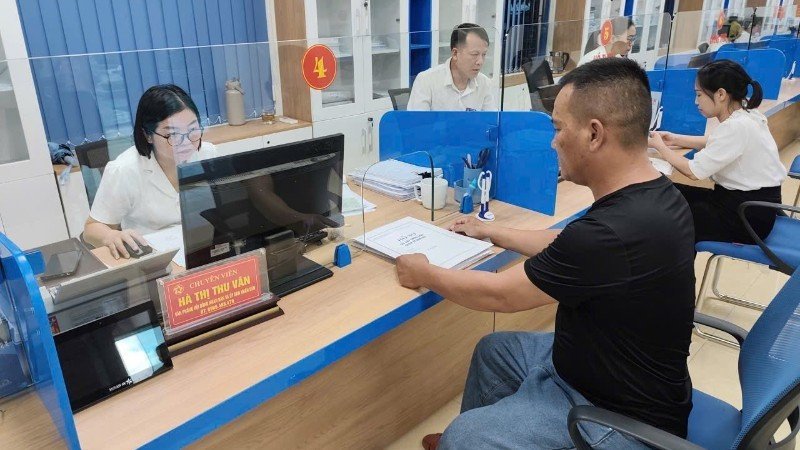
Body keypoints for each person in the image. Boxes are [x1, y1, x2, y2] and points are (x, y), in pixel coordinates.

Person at [397, 58, 695, 450]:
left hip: (617, 417)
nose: (553, 142)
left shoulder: (614, 230)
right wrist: (492, 230)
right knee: (493, 352)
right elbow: (570, 244)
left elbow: (499, 295)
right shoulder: (654, 194)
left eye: (558, 128)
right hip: (601, 366)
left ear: (594, 134)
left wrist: (423, 272)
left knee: (462, 437)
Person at [648, 60, 786, 244]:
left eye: (699, 95)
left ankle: (674, 259)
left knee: (669, 211)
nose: (696, 101)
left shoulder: (736, 127)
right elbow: (717, 142)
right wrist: (674, 139)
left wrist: (661, 147)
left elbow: (692, 171)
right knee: (668, 192)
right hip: (755, 207)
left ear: (721, 94)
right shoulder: (748, 115)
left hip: (745, 219)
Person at [84, 84, 218, 259]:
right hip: (152, 259)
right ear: (148, 135)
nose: (186, 142)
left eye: (193, 130)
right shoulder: (125, 170)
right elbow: (91, 229)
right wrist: (111, 236)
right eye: (173, 135)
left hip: (202, 249)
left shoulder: (208, 154)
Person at [407, 23, 496, 111]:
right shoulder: (426, 80)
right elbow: (417, 120)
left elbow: (492, 119)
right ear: (455, 53)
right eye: (474, 54)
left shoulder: (485, 83)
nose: (480, 61)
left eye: (484, 54)